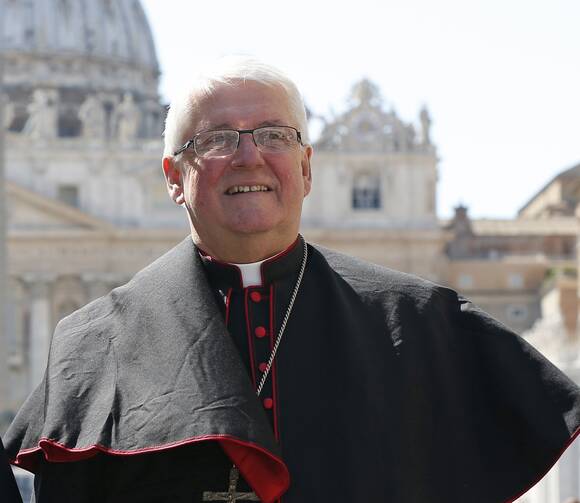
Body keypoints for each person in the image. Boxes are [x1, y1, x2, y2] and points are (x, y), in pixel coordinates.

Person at [4, 56, 580, 503]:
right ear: (173, 177)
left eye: (275, 135)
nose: (249, 156)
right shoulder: (88, 345)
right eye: (216, 139)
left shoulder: (418, 319)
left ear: (307, 169)